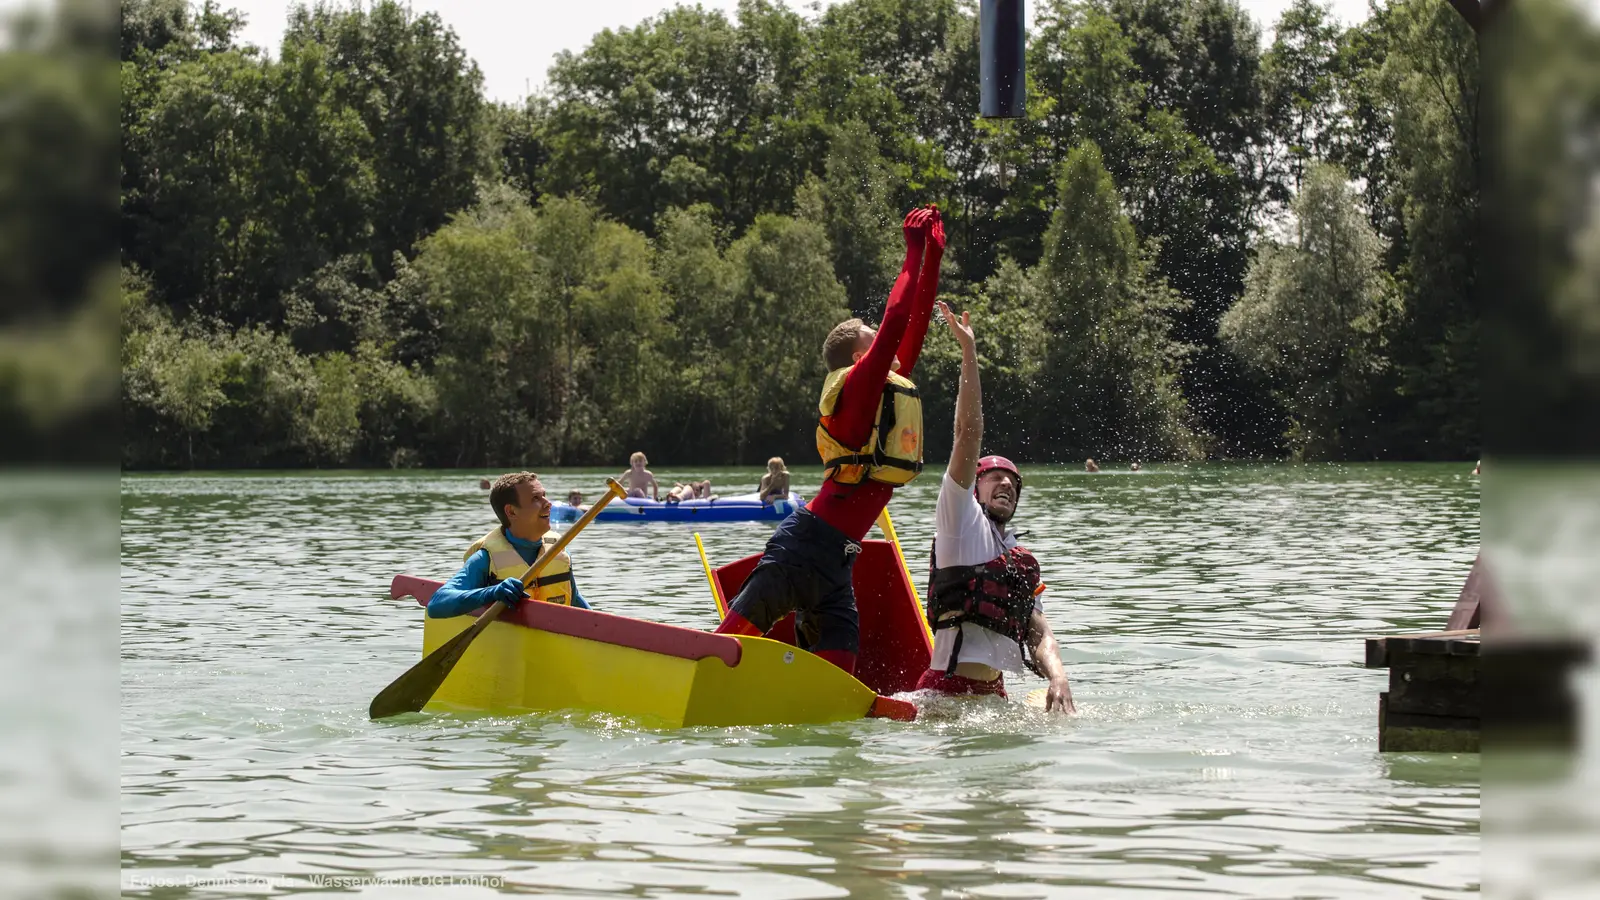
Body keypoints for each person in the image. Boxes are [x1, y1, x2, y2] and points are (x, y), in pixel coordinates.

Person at [714, 206, 944, 676]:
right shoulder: (857, 388)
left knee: (839, 678)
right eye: (874, 337)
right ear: (860, 355)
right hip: (802, 548)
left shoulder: (882, 390)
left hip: (838, 562)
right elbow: (899, 317)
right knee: (722, 651)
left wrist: (934, 257)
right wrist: (912, 250)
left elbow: (915, 323)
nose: (886, 341)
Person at [915, 301, 1075, 713]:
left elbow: (1040, 634)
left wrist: (1058, 677)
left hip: (996, 697)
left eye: (1013, 482)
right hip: (945, 694)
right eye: (994, 478)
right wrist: (969, 354)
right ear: (974, 489)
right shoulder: (959, 521)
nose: (1006, 483)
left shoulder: (1019, 559)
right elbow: (968, 432)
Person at [426, 472, 592, 617]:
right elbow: (436, 604)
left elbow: (574, 598)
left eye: (544, 495)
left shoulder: (558, 550)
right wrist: (490, 593)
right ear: (512, 512)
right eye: (536, 498)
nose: (548, 503)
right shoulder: (485, 559)